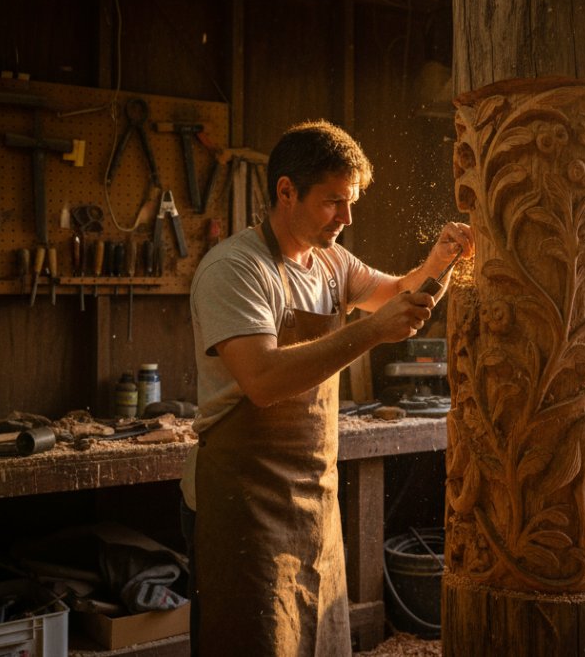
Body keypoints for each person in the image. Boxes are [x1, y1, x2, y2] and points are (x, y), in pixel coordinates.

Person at [179, 119, 472, 657]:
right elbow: (263, 380)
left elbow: (397, 293)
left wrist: (441, 261)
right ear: (286, 191)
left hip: (311, 496)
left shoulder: (332, 262)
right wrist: (370, 332)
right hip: (242, 502)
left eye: (352, 201)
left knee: (316, 639)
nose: (347, 217)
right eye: (333, 202)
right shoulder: (236, 269)